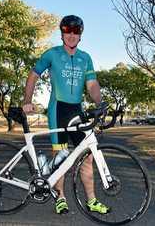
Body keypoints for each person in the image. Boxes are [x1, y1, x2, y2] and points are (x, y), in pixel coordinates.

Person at [22, 15, 110, 215]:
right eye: (67, 31)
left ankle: (92, 200)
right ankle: (60, 198)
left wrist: (100, 103)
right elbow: (33, 74)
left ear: (80, 35)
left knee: (87, 157)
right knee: (60, 156)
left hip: (77, 110)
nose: (71, 35)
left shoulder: (85, 58)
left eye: (75, 32)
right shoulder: (52, 54)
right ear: (62, 33)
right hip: (58, 110)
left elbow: (92, 84)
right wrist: (27, 100)